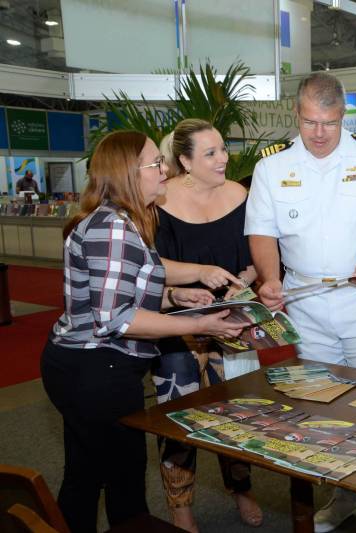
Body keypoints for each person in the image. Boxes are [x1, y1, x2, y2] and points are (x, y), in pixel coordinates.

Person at [40, 130, 244, 533]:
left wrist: (175, 297)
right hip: (96, 368)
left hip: (88, 365)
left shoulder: (121, 221)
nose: (163, 170)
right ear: (129, 174)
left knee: (90, 471)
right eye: (155, 163)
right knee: (119, 477)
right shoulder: (114, 227)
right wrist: (200, 324)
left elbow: (126, 294)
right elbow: (116, 318)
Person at [245, 72, 356, 533]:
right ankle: (345, 498)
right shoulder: (271, 167)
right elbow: (262, 231)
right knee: (325, 410)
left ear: (344, 115)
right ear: (296, 115)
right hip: (305, 303)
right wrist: (268, 278)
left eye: (329, 123)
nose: (318, 133)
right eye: (308, 122)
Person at [151, 119, 263, 532]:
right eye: (211, 153)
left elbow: (262, 256)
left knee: (238, 413)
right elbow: (149, 270)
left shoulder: (241, 196)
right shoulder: (158, 204)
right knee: (180, 417)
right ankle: (180, 505)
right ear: (184, 161)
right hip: (178, 328)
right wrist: (188, 287)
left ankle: (242, 488)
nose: (224, 159)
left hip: (232, 324)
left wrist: (244, 282)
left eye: (223, 149)